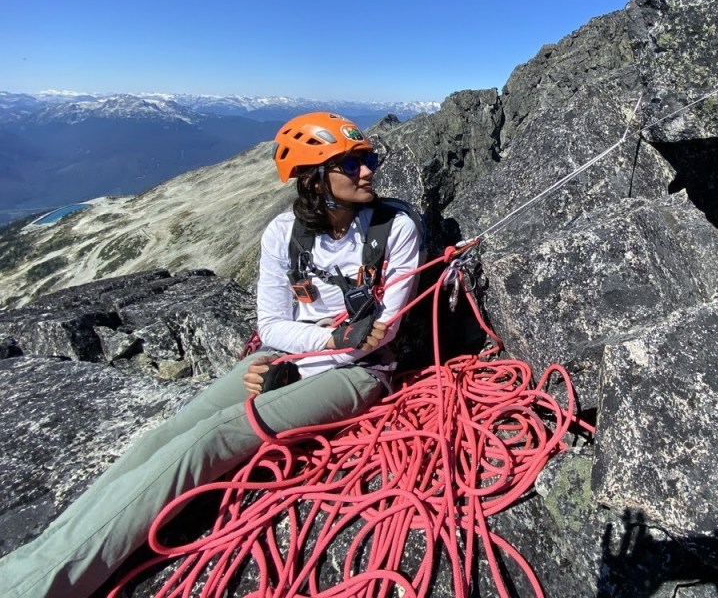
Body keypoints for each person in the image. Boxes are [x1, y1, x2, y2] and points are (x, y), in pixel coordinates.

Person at [0, 112, 422, 598]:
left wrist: (306, 354)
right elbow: (271, 325)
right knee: (162, 436)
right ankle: (39, 555)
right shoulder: (282, 233)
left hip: (359, 374)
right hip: (286, 355)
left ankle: (37, 586)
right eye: (350, 164)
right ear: (312, 180)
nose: (368, 171)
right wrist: (302, 351)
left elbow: (379, 335)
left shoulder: (396, 228)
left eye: (367, 158)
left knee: (206, 440)